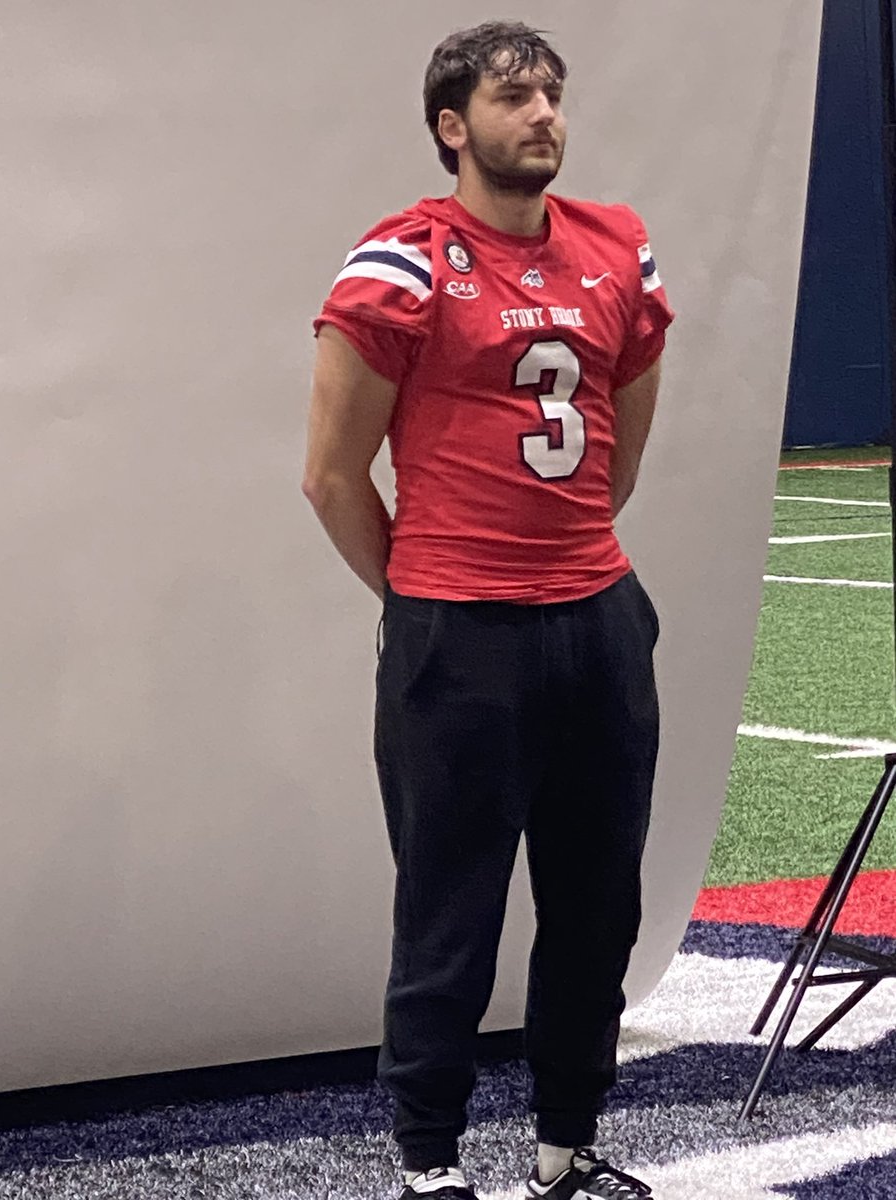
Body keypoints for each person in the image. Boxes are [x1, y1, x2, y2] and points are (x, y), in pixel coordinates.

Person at [303, 19, 674, 1200]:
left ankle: (567, 1148)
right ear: (454, 127)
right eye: (517, 96)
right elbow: (329, 473)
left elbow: (616, 450)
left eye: (555, 93)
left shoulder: (618, 248)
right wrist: (432, 594)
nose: (546, 113)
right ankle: (431, 1166)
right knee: (449, 919)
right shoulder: (403, 261)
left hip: (598, 622)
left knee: (598, 909)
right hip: (461, 639)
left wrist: (564, 564)